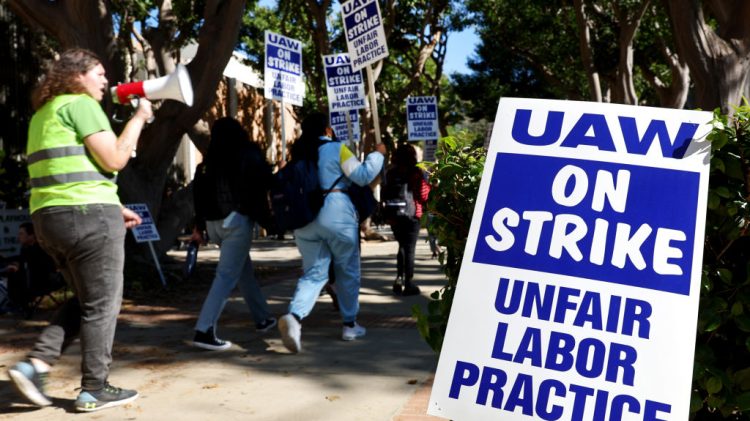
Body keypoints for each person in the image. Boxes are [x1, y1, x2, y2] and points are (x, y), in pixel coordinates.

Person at [7, 48, 152, 412]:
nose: (105, 80)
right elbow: (115, 158)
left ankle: (36, 365)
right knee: (104, 304)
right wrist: (139, 118)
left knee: (88, 300)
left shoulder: (43, 113)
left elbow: (66, 171)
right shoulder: (81, 104)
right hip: (88, 217)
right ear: (76, 76)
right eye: (98, 73)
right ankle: (94, 388)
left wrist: (112, 205)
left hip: (49, 219)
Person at [278, 112, 385, 353]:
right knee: (347, 270)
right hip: (337, 214)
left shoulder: (298, 154)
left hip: (305, 219)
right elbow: (362, 175)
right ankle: (349, 324)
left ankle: (294, 317)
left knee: (314, 273)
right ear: (327, 130)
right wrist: (378, 154)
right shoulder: (337, 149)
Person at [190, 117, 277, 351]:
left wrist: (199, 226)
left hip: (212, 224)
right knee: (226, 276)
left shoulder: (207, 164)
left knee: (242, 270)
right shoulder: (246, 155)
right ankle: (204, 329)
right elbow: (263, 184)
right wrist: (270, 220)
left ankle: (263, 318)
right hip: (237, 222)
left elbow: (197, 195)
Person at [384, 143, 430, 296]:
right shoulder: (416, 172)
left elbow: (384, 192)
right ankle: (408, 283)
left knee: (401, 246)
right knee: (409, 249)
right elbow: (424, 194)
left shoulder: (390, 173)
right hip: (412, 214)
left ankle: (398, 279)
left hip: (394, 214)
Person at [5, 222, 64, 317]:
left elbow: (40, 269)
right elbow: (22, 260)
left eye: (21, 233)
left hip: (45, 282)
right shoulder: (25, 248)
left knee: (17, 276)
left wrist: (18, 268)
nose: (19, 236)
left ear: (31, 235)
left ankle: (20, 306)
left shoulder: (41, 249)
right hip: (31, 282)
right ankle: (18, 305)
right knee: (13, 273)